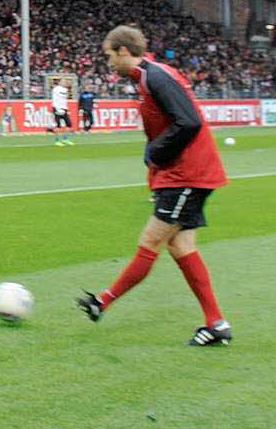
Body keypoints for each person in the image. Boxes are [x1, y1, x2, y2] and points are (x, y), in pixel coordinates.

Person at [77, 25, 231, 346]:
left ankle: (102, 302)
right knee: (181, 246)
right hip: (183, 174)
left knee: (150, 242)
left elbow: (189, 121)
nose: (108, 63)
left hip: (186, 174)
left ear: (122, 51)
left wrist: (155, 152)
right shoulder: (150, 77)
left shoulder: (155, 77)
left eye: (109, 56)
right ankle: (216, 323)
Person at [51, 75, 73, 145]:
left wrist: (69, 89)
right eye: (63, 81)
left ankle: (65, 138)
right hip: (57, 108)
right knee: (58, 125)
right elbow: (56, 99)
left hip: (64, 108)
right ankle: (57, 140)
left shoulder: (66, 90)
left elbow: (69, 96)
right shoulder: (56, 89)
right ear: (60, 82)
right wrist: (57, 108)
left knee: (69, 124)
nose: (65, 83)